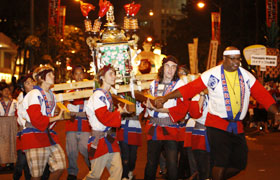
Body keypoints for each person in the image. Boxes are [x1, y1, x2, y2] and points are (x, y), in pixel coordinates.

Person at [154, 46, 280, 180]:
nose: (236, 62)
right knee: (221, 162)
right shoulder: (211, 74)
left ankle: (209, 177)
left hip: (237, 126)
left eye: (238, 59)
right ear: (224, 59)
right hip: (217, 125)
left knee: (240, 164)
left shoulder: (246, 75)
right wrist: (166, 97)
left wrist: (277, 112)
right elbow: (189, 89)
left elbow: (262, 95)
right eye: (232, 59)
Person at [143, 55, 187, 180]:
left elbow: (181, 109)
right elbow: (149, 102)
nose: (170, 70)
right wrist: (147, 104)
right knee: (151, 162)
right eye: (167, 66)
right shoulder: (154, 84)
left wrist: (161, 109)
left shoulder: (180, 84)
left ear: (176, 69)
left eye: (173, 67)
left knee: (172, 163)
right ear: (163, 68)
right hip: (154, 126)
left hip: (170, 127)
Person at [20, 65, 66, 180]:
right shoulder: (34, 94)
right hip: (34, 135)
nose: (53, 76)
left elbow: (47, 116)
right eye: (50, 74)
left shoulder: (52, 95)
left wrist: (57, 114)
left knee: (61, 166)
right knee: (37, 175)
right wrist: (56, 118)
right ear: (41, 78)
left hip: (47, 134)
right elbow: (36, 120)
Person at [84, 64, 129, 180]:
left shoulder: (106, 94)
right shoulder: (98, 95)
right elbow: (103, 117)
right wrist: (119, 113)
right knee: (94, 175)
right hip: (98, 140)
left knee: (117, 171)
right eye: (110, 74)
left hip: (108, 139)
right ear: (102, 77)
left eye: (114, 74)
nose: (114, 76)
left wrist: (119, 112)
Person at [65, 65, 91, 180]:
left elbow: (88, 108)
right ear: (73, 76)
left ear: (84, 75)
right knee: (71, 150)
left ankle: (92, 168)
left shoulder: (89, 90)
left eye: (81, 73)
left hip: (85, 125)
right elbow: (67, 106)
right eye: (76, 73)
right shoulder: (69, 91)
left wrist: (76, 109)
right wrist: (78, 110)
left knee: (85, 148)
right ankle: (72, 173)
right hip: (72, 125)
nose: (79, 76)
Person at [13, 74, 35, 180]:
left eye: (32, 81)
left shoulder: (37, 96)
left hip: (35, 133)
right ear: (22, 87)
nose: (31, 84)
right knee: (21, 162)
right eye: (28, 83)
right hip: (24, 132)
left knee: (30, 163)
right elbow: (21, 118)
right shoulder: (20, 100)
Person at [117, 101, 143, 180]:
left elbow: (141, 109)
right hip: (123, 129)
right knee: (125, 155)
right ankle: (124, 175)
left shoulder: (137, 99)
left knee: (133, 156)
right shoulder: (118, 99)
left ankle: (130, 170)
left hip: (134, 130)